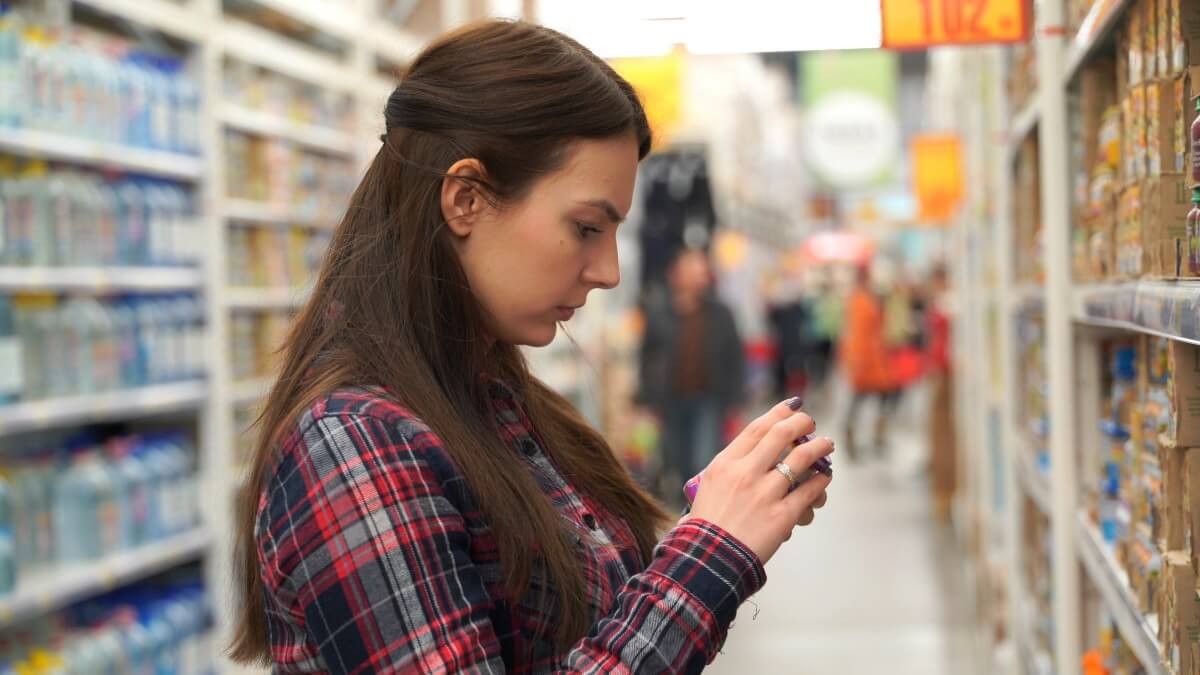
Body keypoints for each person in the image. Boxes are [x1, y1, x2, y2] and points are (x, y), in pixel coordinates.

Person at [229, 20, 834, 674]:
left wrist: (710, 520)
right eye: (585, 227)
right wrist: (710, 554)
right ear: (466, 199)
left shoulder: (495, 399)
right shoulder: (351, 442)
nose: (609, 270)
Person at [636, 247, 747, 498]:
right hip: (669, 398)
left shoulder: (721, 314)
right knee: (674, 457)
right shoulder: (659, 312)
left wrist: (736, 402)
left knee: (703, 457)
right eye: (693, 269)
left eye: (703, 270)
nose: (700, 275)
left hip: (708, 398)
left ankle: (701, 508)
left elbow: (735, 357)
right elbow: (646, 357)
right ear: (676, 274)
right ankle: (682, 509)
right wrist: (645, 401)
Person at [840, 264, 895, 460]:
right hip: (866, 360)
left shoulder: (862, 298)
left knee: (876, 396)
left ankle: (870, 435)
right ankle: (854, 435)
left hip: (871, 358)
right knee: (863, 397)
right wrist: (857, 360)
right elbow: (858, 333)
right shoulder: (859, 301)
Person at [925, 264, 956, 521]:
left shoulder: (946, 305)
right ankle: (943, 492)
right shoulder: (946, 304)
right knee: (942, 432)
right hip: (943, 372)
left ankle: (945, 492)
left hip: (946, 374)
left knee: (943, 433)